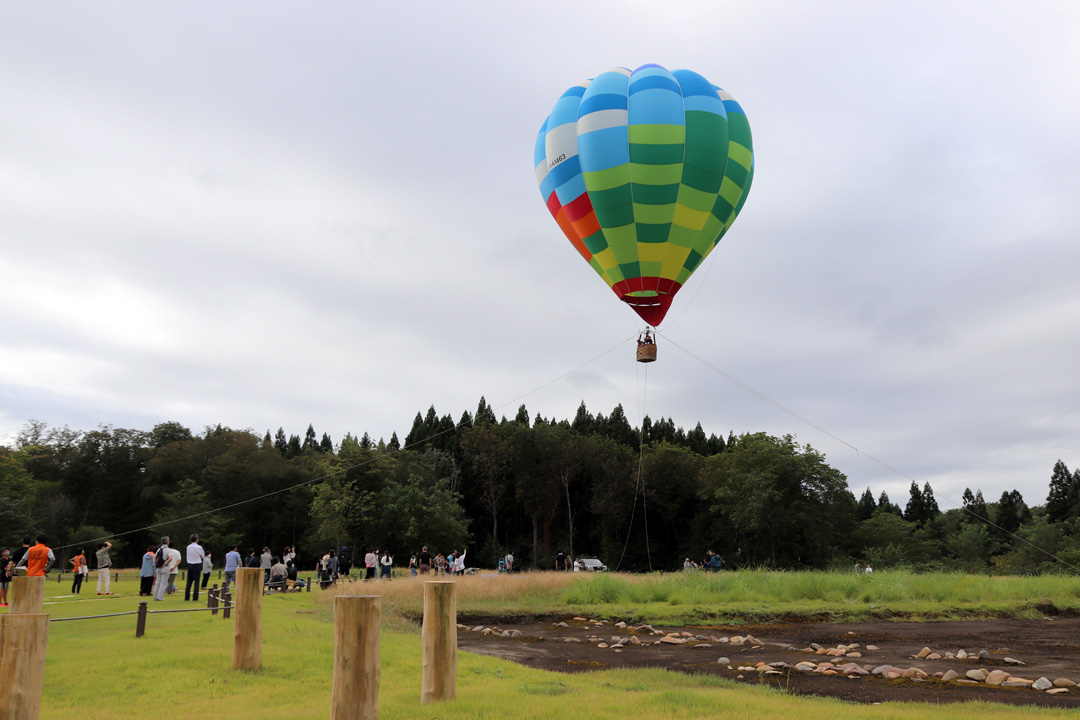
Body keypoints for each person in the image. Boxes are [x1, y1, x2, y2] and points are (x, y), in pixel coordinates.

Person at [185, 533, 206, 601]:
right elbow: (202, 555)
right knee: (196, 582)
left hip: (190, 565)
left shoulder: (188, 547)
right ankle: (195, 597)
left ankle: (187, 597)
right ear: (196, 539)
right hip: (197, 565)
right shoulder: (199, 547)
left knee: (189, 582)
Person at [152, 536, 172, 601]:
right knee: (163, 583)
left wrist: (156, 564)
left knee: (157, 582)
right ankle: (160, 597)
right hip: (165, 568)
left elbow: (154, 557)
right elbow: (170, 558)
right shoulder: (168, 550)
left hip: (158, 568)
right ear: (168, 542)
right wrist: (164, 564)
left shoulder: (159, 549)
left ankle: (155, 597)